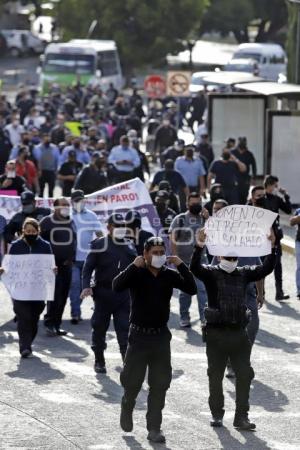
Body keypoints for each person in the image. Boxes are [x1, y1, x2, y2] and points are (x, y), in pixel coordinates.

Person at [112, 237, 197, 443]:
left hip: (160, 337)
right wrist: (134, 266)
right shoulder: (137, 273)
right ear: (145, 253)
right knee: (132, 381)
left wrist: (181, 265)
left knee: (159, 384)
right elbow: (117, 286)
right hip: (139, 336)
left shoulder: (169, 275)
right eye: (155, 252)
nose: (158, 256)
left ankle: (154, 428)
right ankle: (127, 403)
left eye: (161, 252)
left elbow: (191, 288)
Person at [190, 228, 276, 430]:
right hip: (216, 334)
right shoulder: (211, 274)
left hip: (239, 333)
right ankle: (217, 414)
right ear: (219, 254)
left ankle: (241, 417)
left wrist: (273, 246)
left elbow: (266, 269)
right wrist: (199, 245)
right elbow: (194, 267)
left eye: (234, 253)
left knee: (244, 375)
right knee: (215, 375)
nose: (231, 256)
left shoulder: (244, 274)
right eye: (227, 252)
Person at [81, 213, 137, 373]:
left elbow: (138, 268)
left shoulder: (130, 245)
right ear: (109, 227)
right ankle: (99, 360)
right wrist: (86, 286)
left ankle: (128, 363)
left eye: (122, 226)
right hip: (103, 294)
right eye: (116, 226)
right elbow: (88, 268)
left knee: (124, 329)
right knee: (99, 328)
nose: (120, 229)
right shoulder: (99, 244)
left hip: (123, 295)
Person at [0, 218, 55, 358]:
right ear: (23, 231)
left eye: (33, 231)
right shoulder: (16, 246)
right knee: (23, 316)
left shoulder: (45, 245)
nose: (30, 233)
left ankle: (27, 342)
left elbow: (50, 263)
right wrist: (3, 269)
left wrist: (53, 269)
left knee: (34, 317)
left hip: (38, 290)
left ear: (38, 231)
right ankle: (25, 347)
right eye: (28, 231)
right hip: (20, 290)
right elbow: (9, 264)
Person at [169, 193, 208, 327]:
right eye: (193, 203)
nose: (196, 205)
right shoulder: (180, 219)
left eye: (199, 202)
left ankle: (205, 318)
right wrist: (176, 260)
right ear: (187, 204)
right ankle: (184, 317)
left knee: (202, 289)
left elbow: (214, 234)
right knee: (185, 292)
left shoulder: (204, 219)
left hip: (201, 261)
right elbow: (173, 240)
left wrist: (209, 219)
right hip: (184, 262)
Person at [40, 197, 76, 336]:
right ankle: (50, 323)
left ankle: (57, 324)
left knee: (63, 295)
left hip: (66, 265)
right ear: (55, 207)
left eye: (68, 205)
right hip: (51, 266)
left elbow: (74, 240)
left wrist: (71, 258)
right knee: (54, 295)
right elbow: (39, 241)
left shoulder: (70, 221)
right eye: (63, 205)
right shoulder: (47, 221)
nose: (67, 207)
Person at [69, 190, 103, 324]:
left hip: (89, 259)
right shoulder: (67, 216)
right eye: (76, 200)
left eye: (81, 200)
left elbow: (100, 234)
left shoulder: (91, 215)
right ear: (72, 202)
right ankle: (75, 313)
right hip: (72, 259)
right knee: (75, 284)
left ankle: (78, 306)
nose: (79, 203)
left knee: (86, 286)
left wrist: (104, 247)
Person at [264, 175, 292, 301]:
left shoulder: (276, 199)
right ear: (270, 185)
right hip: (262, 236)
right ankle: (261, 292)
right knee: (262, 264)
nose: (277, 188)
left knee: (277, 264)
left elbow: (288, 210)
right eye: (275, 185)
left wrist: (286, 196)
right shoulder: (259, 198)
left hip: (276, 236)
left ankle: (279, 292)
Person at [33, 133, 60, 197]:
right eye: (45, 138)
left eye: (48, 138)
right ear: (42, 139)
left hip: (51, 171)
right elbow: (36, 160)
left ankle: (50, 206)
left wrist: (57, 170)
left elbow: (57, 159)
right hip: (41, 172)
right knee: (41, 191)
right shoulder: (37, 148)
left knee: (51, 191)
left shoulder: (54, 148)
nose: (47, 139)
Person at [231, 137, 257, 204]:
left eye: (243, 142)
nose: (242, 143)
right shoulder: (233, 152)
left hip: (245, 179)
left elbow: (254, 166)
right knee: (235, 198)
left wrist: (254, 178)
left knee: (244, 197)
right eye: (241, 142)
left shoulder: (249, 154)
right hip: (234, 178)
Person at [290, 208, 300, 299]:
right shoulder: (298, 210)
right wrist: (298, 217)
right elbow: (291, 222)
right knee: (299, 267)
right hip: (299, 242)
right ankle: (299, 290)